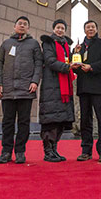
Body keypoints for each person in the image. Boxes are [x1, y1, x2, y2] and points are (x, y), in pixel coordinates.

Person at [0, 16, 43, 164]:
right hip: (8, 89)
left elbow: (38, 64)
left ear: (28, 28)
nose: (22, 26)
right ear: (14, 26)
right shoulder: (6, 43)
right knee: (7, 122)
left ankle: (20, 151)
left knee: (24, 122)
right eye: (20, 23)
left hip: (26, 89)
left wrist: (35, 81)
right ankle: (6, 152)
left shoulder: (34, 44)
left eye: (25, 24)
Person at [73, 20, 101, 163]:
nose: (90, 29)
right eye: (87, 27)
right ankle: (86, 150)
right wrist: (74, 59)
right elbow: (75, 66)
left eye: (92, 27)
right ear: (84, 30)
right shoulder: (79, 48)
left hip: (98, 86)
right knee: (85, 120)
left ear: (96, 29)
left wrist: (92, 67)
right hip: (83, 87)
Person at [39, 19, 76, 162]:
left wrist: (75, 54)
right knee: (51, 120)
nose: (60, 30)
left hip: (64, 87)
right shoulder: (48, 42)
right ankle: (48, 151)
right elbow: (49, 60)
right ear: (53, 29)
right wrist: (67, 67)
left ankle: (54, 150)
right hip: (51, 85)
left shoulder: (66, 45)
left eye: (62, 28)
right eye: (58, 28)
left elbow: (68, 60)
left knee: (60, 120)